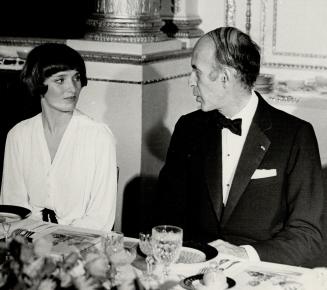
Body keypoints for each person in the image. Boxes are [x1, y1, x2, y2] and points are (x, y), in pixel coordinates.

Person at [155, 27, 325, 266]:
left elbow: (308, 235)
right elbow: (166, 216)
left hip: (261, 271)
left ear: (225, 77)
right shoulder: (188, 128)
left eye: (197, 72)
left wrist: (244, 254)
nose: (189, 81)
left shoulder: (295, 135)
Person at [0, 43, 117, 231]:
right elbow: (13, 211)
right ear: (38, 83)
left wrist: (55, 244)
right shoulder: (18, 136)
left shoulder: (99, 137)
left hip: (81, 248)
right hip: (28, 247)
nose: (72, 89)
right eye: (60, 80)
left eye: (77, 78)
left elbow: (100, 220)